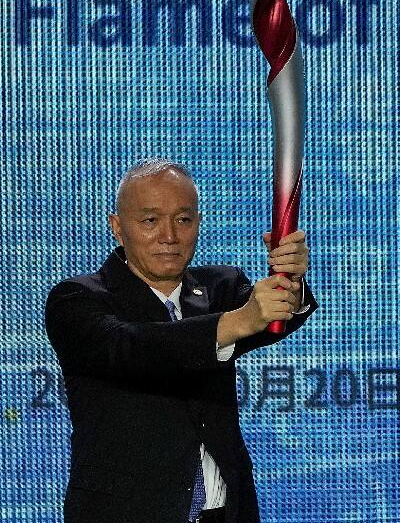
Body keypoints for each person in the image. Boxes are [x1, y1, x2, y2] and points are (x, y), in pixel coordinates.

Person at [44, 158, 318, 523]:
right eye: (150, 220)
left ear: (198, 224)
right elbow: (132, 349)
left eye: (183, 219)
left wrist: (289, 280)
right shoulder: (78, 299)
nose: (169, 236)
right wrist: (241, 319)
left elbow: (274, 321)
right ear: (118, 228)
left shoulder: (220, 287)